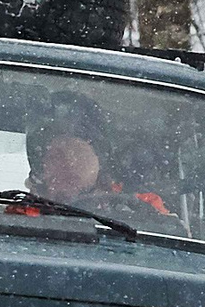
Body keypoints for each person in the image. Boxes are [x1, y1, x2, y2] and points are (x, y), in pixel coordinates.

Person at [25, 92, 181, 228]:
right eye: (56, 156)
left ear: (99, 158)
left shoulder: (143, 206)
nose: (67, 163)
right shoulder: (22, 212)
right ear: (41, 164)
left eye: (76, 153)